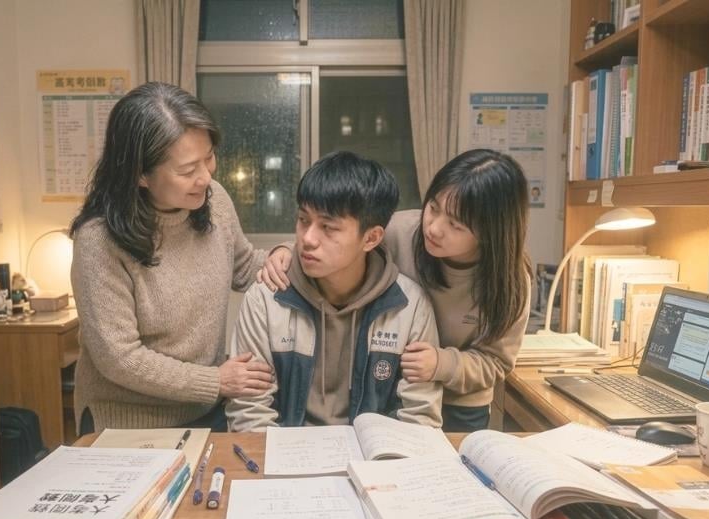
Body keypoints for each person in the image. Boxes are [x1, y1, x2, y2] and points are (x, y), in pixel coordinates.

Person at [68, 82, 289, 434]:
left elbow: (244, 267)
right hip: (126, 424)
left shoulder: (214, 200)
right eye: (187, 171)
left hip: (207, 412)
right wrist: (216, 381)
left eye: (209, 157)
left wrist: (282, 255)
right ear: (141, 174)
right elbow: (119, 358)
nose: (206, 177)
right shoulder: (99, 240)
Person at [261, 149, 531, 431]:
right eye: (433, 208)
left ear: (490, 231)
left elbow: (496, 362)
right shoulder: (399, 231)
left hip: (459, 400)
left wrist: (441, 363)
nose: (434, 228)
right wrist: (286, 251)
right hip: (394, 387)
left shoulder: (510, 280)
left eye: (455, 224)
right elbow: (338, 241)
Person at [226, 151, 443, 431]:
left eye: (328, 227)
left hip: (373, 454)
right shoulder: (267, 297)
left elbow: (419, 416)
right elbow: (250, 412)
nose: (307, 239)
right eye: (303, 220)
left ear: (371, 238)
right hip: (286, 450)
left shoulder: (408, 306)